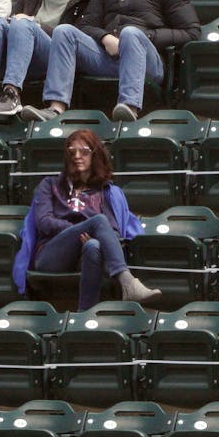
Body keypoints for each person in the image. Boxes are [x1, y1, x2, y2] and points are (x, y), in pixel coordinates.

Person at [27, 0, 200, 122]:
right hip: (108, 57)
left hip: (147, 61)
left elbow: (192, 32)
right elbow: (85, 25)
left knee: (130, 33)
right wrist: (104, 37)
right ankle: (56, 107)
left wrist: (147, 36)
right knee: (65, 31)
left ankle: (129, 106)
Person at [10, 129, 161, 309]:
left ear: (95, 155)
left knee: (93, 246)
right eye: (71, 152)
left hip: (86, 254)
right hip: (51, 255)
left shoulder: (104, 192)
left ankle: (84, 315)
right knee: (97, 221)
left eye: (84, 151)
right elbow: (44, 223)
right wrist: (81, 229)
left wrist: (91, 236)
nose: (77, 156)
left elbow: (113, 231)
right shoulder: (49, 185)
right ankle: (127, 282)